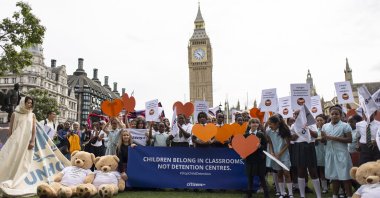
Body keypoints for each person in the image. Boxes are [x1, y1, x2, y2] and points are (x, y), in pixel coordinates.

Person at [0, 96, 36, 188]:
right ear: (23, 103)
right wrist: (10, 142)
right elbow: (10, 129)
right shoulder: (15, 114)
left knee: (24, 161)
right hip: (15, 141)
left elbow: (33, 129)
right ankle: (8, 177)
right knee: (11, 159)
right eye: (28, 102)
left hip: (26, 142)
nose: (30, 105)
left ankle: (21, 180)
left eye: (31, 103)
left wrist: (32, 141)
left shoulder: (32, 115)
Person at [321, 106, 353, 198]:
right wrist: (322, 139)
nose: (334, 116)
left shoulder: (345, 125)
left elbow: (349, 139)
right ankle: (335, 195)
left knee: (345, 177)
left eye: (336, 114)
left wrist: (333, 138)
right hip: (330, 154)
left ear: (340, 115)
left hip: (342, 154)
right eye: (332, 114)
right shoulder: (325, 126)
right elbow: (324, 140)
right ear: (330, 115)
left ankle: (349, 196)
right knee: (334, 177)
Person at [290, 110, 321, 198]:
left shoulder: (311, 123)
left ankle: (319, 195)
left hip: (309, 146)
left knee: (313, 171)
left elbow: (315, 135)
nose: (296, 115)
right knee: (301, 171)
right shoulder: (293, 125)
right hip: (299, 147)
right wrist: (299, 131)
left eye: (298, 114)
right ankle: (302, 195)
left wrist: (307, 129)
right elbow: (292, 138)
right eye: (295, 114)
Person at [267, 115, 293, 198]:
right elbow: (270, 143)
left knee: (286, 173)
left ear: (277, 123)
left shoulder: (284, 130)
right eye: (269, 124)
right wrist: (271, 152)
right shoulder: (269, 131)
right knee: (279, 174)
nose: (269, 126)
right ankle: (282, 193)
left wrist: (280, 154)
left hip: (284, 155)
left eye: (271, 124)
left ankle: (290, 194)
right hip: (275, 156)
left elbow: (287, 144)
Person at [243, 118, 269, 198]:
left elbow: (265, 146)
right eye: (253, 122)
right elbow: (243, 147)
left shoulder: (261, 135)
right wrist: (242, 153)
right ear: (249, 124)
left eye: (257, 123)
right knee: (250, 177)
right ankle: (249, 194)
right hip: (249, 159)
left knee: (261, 177)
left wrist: (260, 146)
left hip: (259, 159)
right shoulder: (245, 135)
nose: (255, 124)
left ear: (259, 125)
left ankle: (266, 195)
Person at [315, 114, 328, 194]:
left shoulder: (327, 128)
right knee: (321, 170)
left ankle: (339, 189)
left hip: (326, 151)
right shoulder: (315, 130)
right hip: (318, 152)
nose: (319, 122)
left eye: (321, 120)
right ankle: (324, 187)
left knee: (329, 170)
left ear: (324, 121)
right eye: (318, 120)